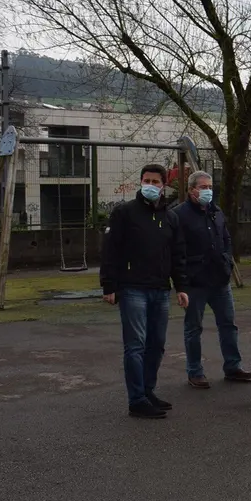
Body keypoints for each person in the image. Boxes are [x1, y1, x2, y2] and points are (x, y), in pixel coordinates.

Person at [100, 164, 189, 419]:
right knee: (135, 346)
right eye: (146, 180)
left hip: (160, 289)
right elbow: (111, 250)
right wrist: (109, 285)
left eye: (155, 181)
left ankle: (148, 391)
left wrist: (181, 286)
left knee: (156, 345)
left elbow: (178, 255)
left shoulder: (171, 218)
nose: (150, 185)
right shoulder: (125, 213)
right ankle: (136, 399)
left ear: (163, 185)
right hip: (133, 289)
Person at [175, 171, 251, 389]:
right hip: (195, 283)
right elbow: (175, 250)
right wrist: (181, 282)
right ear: (191, 190)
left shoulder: (216, 212)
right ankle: (195, 372)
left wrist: (227, 261)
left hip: (220, 280)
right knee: (194, 328)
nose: (207, 191)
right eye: (202, 187)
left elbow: (226, 238)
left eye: (210, 186)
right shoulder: (179, 215)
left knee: (228, 325)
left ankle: (233, 366)